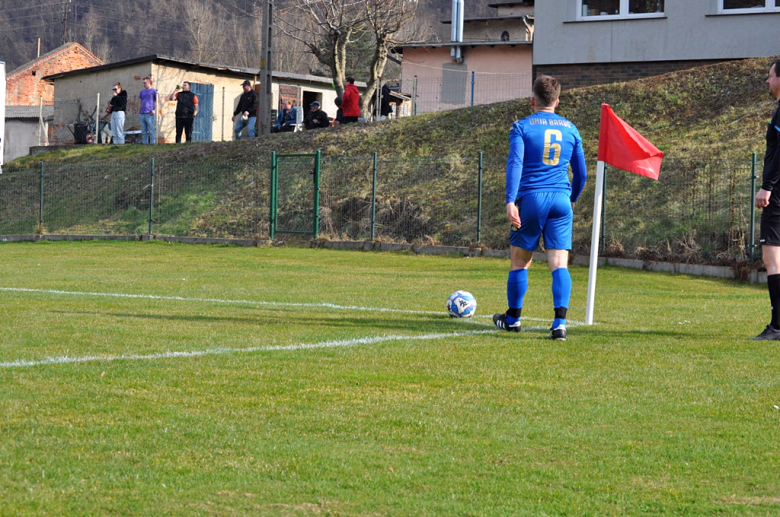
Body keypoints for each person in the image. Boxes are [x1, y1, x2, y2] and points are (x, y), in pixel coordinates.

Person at [493, 75, 587, 341]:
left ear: (532, 99)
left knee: (520, 262)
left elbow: (515, 164)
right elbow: (581, 174)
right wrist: (573, 198)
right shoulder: (571, 129)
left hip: (532, 199)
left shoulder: (521, 127)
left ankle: (513, 319)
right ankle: (560, 324)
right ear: (557, 101)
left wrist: (510, 200)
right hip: (561, 200)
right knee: (559, 264)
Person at [752, 58, 780, 340]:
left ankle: (777, 326)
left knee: (772, 258)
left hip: (778, 194)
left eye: (770, 76)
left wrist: (767, 187)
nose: (768, 81)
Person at [138, 77, 157, 144]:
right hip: (142, 114)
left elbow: (158, 102)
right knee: (143, 132)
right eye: (143, 83)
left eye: (145, 83)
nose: (143, 84)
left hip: (150, 114)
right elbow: (140, 102)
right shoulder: (142, 92)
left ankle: (152, 145)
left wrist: (155, 110)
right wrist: (139, 113)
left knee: (151, 131)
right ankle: (145, 145)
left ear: (149, 82)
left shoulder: (154, 91)